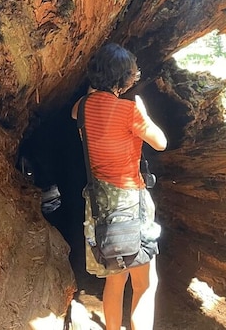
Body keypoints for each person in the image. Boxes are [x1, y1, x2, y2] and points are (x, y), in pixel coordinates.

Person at [72, 43, 167, 330]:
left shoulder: (81, 108)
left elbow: (81, 108)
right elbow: (160, 143)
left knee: (115, 280)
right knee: (145, 284)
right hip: (130, 205)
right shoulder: (129, 111)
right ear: (124, 78)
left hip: (100, 207)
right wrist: (144, 112)